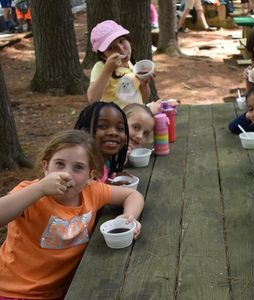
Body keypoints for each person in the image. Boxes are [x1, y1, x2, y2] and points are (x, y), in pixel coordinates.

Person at [0, 129, 144, 299]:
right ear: (46, 167)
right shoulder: (29, 193)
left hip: (64, 289)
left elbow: (132, 195)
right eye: (59, 164)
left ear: (90, 175)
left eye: (78, 167)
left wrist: (129, 216)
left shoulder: (92, 191)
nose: (67, 174)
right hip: (14, 290)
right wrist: (39, 189)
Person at [87, 20, 152, 108]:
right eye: (111, 48)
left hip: (137, 113)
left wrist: (144, 84)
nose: (121, 49)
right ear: (103, 56)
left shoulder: (130, 65)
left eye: (121, 41)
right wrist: (108, 70)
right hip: (117, 119)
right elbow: (92, 99)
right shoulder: (101, 67)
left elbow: (143, 99)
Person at [74, 102, 129, 182]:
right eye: (102, 126)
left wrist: (111, 177)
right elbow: (83, 191)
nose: (113, 132)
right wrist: (110, 188)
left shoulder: (106, 163)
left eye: (120, 128)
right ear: (84, 130)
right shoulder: (80, 166)